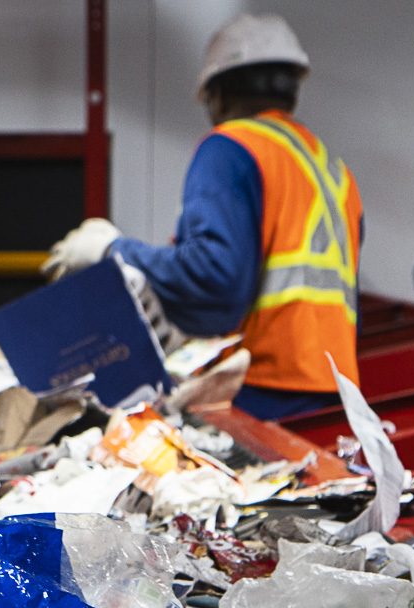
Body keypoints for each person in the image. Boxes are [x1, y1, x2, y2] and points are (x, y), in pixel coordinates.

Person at [43, 13, 362, 420]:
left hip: (261, 387)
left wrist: (112, 249)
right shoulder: (331, 168)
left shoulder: (230, 148)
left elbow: (214, 280)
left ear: (218, 93)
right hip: (334, 392)